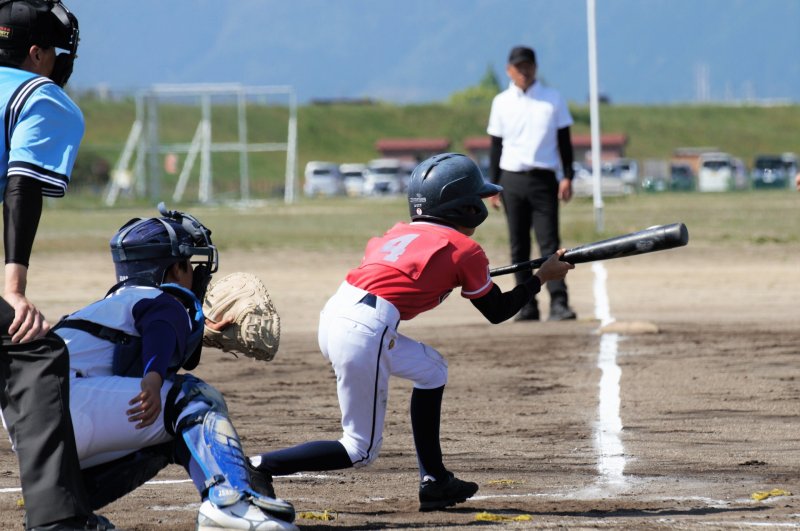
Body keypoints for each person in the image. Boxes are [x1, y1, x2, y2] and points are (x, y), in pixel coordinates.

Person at [249, 153, 574, 511]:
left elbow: (412, 274)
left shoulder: (399, 232)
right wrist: (541, 278)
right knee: (359, 449)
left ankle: (435, 480)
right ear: (465, 208)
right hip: (365, 329)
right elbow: (498, 311)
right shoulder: (466, 250)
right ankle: (259, 466)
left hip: (337, 316)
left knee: (432, 369)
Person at [52, 204, 297, 531]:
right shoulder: (163, 302)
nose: (196, 274)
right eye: (190, 264)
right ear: (174, 269)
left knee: (171, 434)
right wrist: (153, 377)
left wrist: (194, 332)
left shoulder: (108, 306)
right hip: (73, 405)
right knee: (194, 399)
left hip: (36, 424)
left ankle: (64, 513)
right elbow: (159, 330)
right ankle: (230, 504)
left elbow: (135, 346)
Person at [0, 1, 105, 529]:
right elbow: (22, 183)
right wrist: (14, 287)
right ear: (37, 53)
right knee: (34, 351)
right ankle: (58, 519)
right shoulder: (37, 94)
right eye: (58, 53)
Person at [486, 45, 577, 322]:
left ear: (535, 68)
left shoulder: (552, 99)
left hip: (543, 178)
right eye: (518, 67)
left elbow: (564, 142)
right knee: (519, 245)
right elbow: (496, 146)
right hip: (511, 178)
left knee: (550, 242)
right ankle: (526, 304)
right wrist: (493, 186)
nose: (523, 71)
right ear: (509, 70)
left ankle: (559, 302)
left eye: (528, 66)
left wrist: (567, 175)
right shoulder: (501, 102)